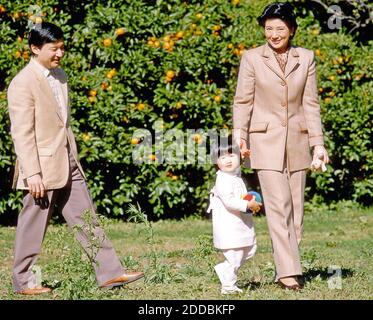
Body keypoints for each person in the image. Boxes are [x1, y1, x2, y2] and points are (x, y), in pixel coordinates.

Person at [7, 22, 144, 295]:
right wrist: (32, 173)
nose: (59, 54)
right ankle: (23, 282)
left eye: (61, 48)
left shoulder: (60, 75)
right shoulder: (22, 83)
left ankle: (110, 273)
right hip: (41, 170)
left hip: (69, 160)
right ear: (35, 48)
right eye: (53, 49)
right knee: (32, 226)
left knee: (87, 218)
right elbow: (22, 133)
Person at [233, 2, 329, 290]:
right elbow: (243, 100)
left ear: (292, 29)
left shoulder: (306, 57)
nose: (273, 34)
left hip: (298, 142)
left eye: (280, 28)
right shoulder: (251, 58)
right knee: (278, 205)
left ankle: (289, 264)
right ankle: (288, 273)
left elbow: (310, 104)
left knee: (295, 210)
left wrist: (318, 144)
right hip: (264, 141)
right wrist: (240, 135)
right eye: (268, 28)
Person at [207, 136, 261, 294]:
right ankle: (228, 286)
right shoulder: (222, 179)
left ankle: (225, 269)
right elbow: (229, 201)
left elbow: (237, 165)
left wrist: (243, 156)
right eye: (222, 157)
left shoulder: (233, 175)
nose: (228, 160)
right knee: (235, 255)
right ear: (216, 162)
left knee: (248, 249)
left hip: (239, 222)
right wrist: (247, 205)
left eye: (231, 155)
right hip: (229, 225)